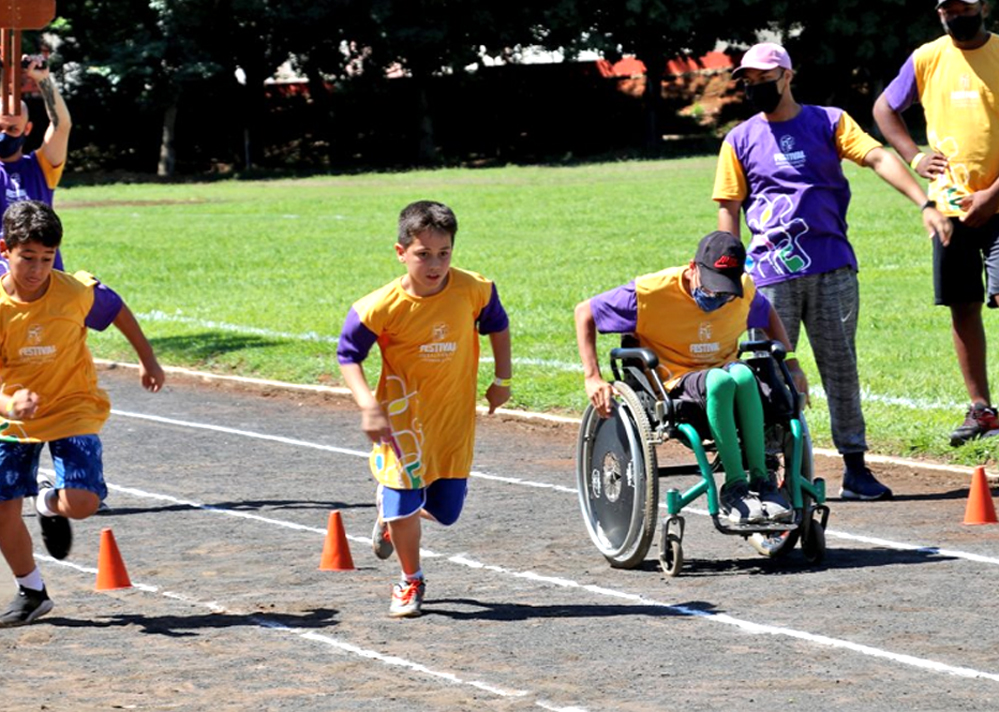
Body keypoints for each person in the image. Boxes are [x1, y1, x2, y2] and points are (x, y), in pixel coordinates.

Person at [713, 42, 953, 500]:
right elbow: (728, 209)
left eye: (764, 79)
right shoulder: (739, 140)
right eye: (748, 81)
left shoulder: (829, 121)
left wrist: (923, 200)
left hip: (832, 268)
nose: (755, 87)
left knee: (841, 368)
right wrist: (730, 276)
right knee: (766, 372)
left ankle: (856, 469)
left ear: (787, 76)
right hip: (768, 276)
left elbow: (879, 156)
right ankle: (768, 471)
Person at [337, 200, 512, 618]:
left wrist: (502, 381)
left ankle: (390, 520)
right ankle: (409, 579)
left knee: (446, 512)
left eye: (444, 253)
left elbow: (498, 326)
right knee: (405, 501)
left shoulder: (475, 290)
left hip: (453, 421)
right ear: (401, 252)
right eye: (423, 254)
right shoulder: (377, 307)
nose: (435, 264)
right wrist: (367, 406)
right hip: (402, 424)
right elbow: (348, 356)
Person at [0, 200, 164, 627]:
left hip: (73, 406)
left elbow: (117, 311)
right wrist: (9, 404)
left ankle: (49, 501)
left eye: (47, 258)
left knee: (85, 502)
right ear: (5, 250)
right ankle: (32, 591)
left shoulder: (74, 292)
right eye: (27, 258)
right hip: (11, 417)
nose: (37, 269)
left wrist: (148, 359)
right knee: (1, 510)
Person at [575, 230, 807, 524]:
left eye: (725, 291)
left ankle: (761, 481)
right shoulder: (649, 293)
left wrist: (793, 363)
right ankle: (735, 486)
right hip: (675, 380)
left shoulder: (744, 290)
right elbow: (585, 312)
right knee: (721, 381)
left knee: (745, 376)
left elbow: (768, 314)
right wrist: (592, 377)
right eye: (712, 288)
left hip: (725, 369)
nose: (717, 297)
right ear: (693, 268)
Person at [874, 1, 999, 446]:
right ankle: (981, 409)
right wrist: (914, 155)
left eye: (963, 5)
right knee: (962, 304)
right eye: (946, 7)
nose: (953, 13)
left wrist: (993, 194)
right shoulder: (927, 57)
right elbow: (885, 108)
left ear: (983, 6)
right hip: (950, 207)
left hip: (998, 203)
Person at [0, 55, 71, 272]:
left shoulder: (40, 167)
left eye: (12, 130)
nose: (4, 136)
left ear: (27, 129)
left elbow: (61, 125)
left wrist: (43, 80)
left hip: (43, 272)